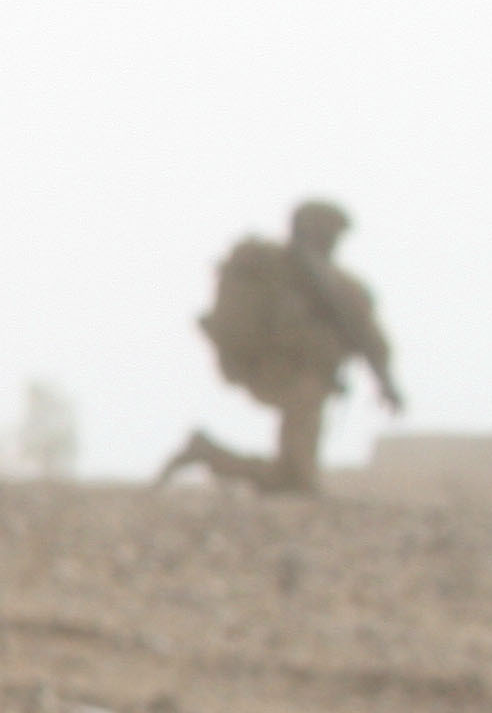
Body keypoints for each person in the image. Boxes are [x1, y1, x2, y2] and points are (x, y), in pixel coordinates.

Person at [160, 197, 396, 493]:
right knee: (297, 479)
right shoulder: (289, 272)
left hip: (284, 373)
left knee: (293, 478)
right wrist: (386, 382)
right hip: (291, 375)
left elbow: (366, 335)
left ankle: (209, 453)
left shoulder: (319, 278)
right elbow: (369, 338)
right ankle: (214, 455)